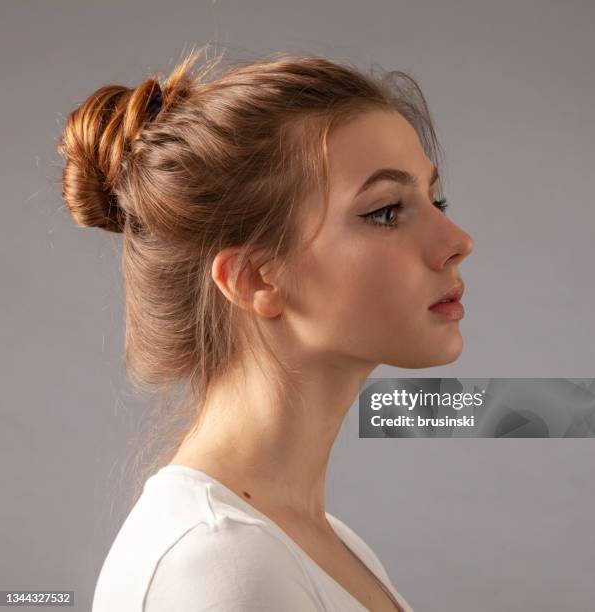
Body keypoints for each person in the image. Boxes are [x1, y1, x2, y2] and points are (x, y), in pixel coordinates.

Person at [58, 44, 473, 611]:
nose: (457, 242)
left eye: (435, 198)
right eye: (385, 212)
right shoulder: (220, 566)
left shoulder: (315, 543)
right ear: (254, 277)